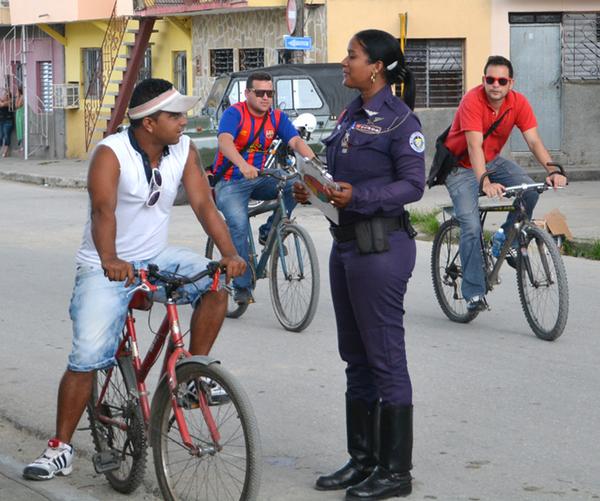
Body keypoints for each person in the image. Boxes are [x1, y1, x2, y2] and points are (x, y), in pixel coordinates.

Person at [23, 78, 246, 481]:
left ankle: (190, 376)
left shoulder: (184, 150)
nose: (183, 121)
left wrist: (229, 253)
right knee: (87, 356)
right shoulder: (111, 154)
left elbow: (204, 204)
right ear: (148, 122)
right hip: (104, 264)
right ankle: (60, 448)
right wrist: (110, 259)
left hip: (157, 257)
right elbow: (103, 212)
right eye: (175, 115)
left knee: (215, 285)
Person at [294, 30, 425, 499]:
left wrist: (361, 196)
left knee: (385, 357)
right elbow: (341, 175)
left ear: (377, 68)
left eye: (352, 55)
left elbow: (413, 187)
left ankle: (396, 472)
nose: (344, 62)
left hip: (381, 249)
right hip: (346, 244)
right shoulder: (351, 114)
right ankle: (363, 459)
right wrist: (314, 188)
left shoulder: (399, 120)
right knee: (356, 357)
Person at [443, 55, 568, 312]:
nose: (495, 85)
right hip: (460, 168)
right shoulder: (472, 101)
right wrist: (484, 181)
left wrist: (553, 170)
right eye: (490, 79)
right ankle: (474, 293)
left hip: (492, 161)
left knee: (530, 191)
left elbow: (533, 141)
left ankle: (504, 239)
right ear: (483, 81)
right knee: (470, 225)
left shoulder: (518, 102)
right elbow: (473, 146)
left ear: (510, 83)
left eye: (502, 80)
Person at [211, 71, 315, 305]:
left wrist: (313, 162)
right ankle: (241, 285)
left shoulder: (276, 117)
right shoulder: (234, 113)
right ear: (248, 93)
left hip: (261, 177)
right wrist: (242, 164)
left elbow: (295, 141)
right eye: (260, 93)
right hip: (230, 182)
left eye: (270, 93)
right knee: (237, 225)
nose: (266, 97)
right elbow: (225, 141)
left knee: (295, 184)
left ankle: (269, 230)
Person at [0, 88, 13, 157]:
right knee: (0, 136)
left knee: (6, 136)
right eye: (5, 95)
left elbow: (2, 105)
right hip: (1, 121)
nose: (5, 96)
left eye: (7, 95)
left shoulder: (10, 102)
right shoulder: (3, 101)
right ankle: (2, 150)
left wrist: (2, 101)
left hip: (8, 121)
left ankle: (5, 152)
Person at [14, 86, 24, 153]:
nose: (16, 92)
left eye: (17, 91)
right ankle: (21, 146)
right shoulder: (20, 97)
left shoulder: (22, 97)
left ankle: (22, 147)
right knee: (19, 129)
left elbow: (17, 105)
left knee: (21, 129)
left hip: (21, 114)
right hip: (18, 113)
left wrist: (17, 96)